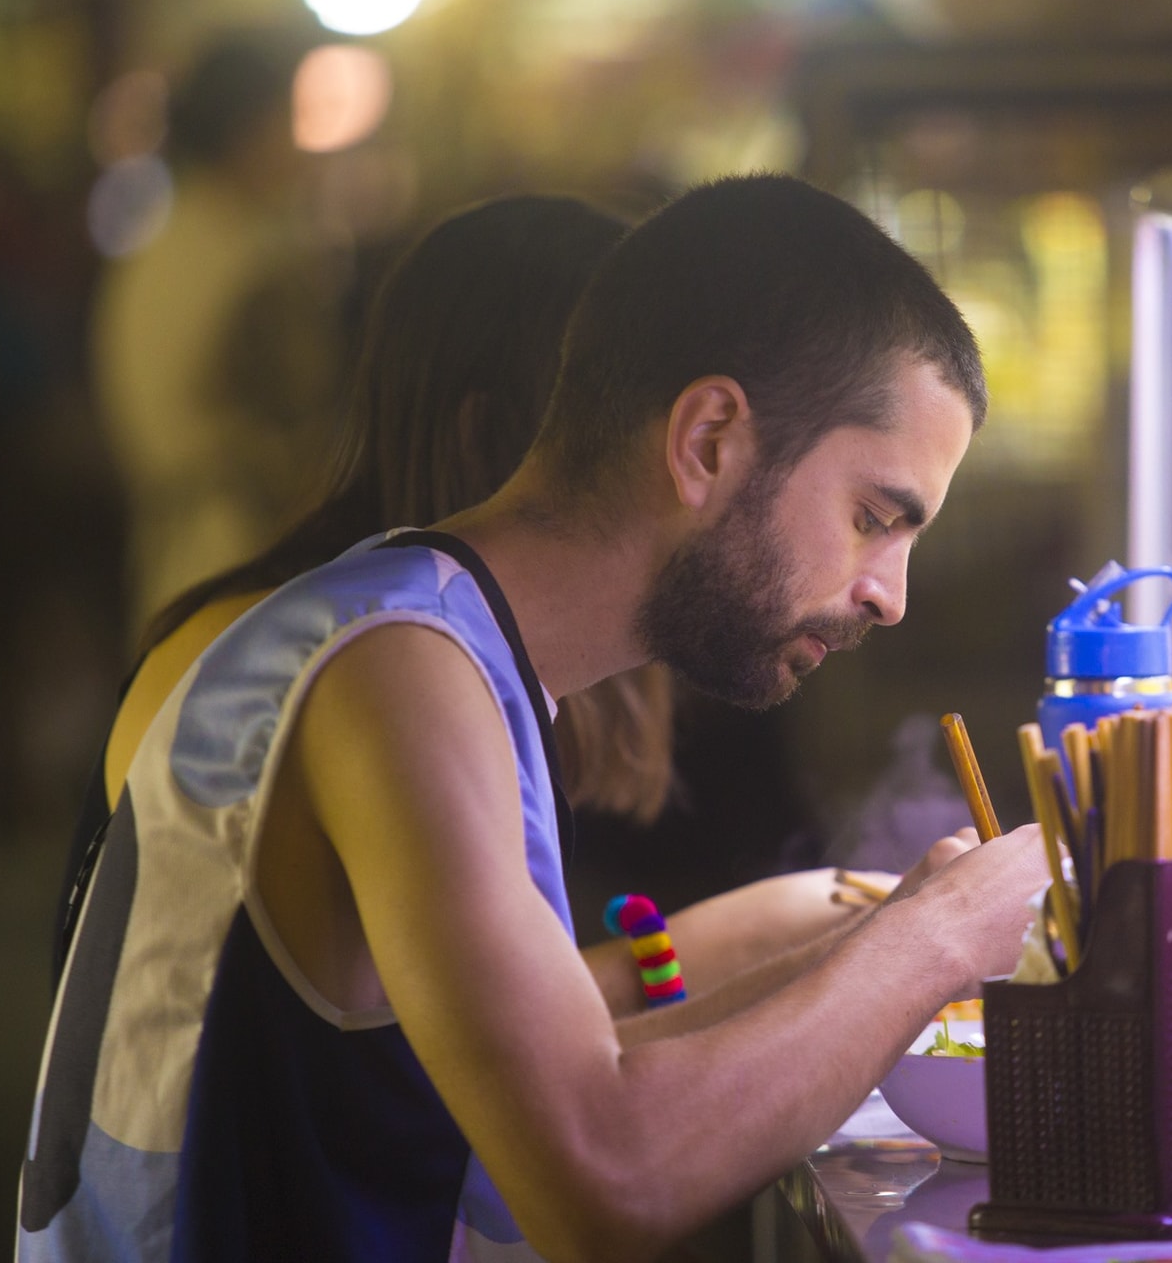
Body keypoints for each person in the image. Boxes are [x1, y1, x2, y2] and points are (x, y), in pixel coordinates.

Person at [21, 173, 1048, 1260]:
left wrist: (849, 943)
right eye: (874, 516)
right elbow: (602, 1177)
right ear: (708, 439)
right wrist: (935, 936)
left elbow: (563, 1071)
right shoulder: (393, 666)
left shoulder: (448, 646)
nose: (890, 593)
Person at [65, 192, 871, 1015]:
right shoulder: (342, 660)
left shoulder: (499, 658)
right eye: (609, 421)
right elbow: (498, 1087)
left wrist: (749, 940)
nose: (675, 483)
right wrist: (754, 948)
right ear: (489, 435)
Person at [92, 28, 345, 638]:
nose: (298, 147)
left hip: (166, 562)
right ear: (249, 133)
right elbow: (305, 426)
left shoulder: (151, 254)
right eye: (288, 122)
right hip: (251, 555)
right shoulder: (256, 260)